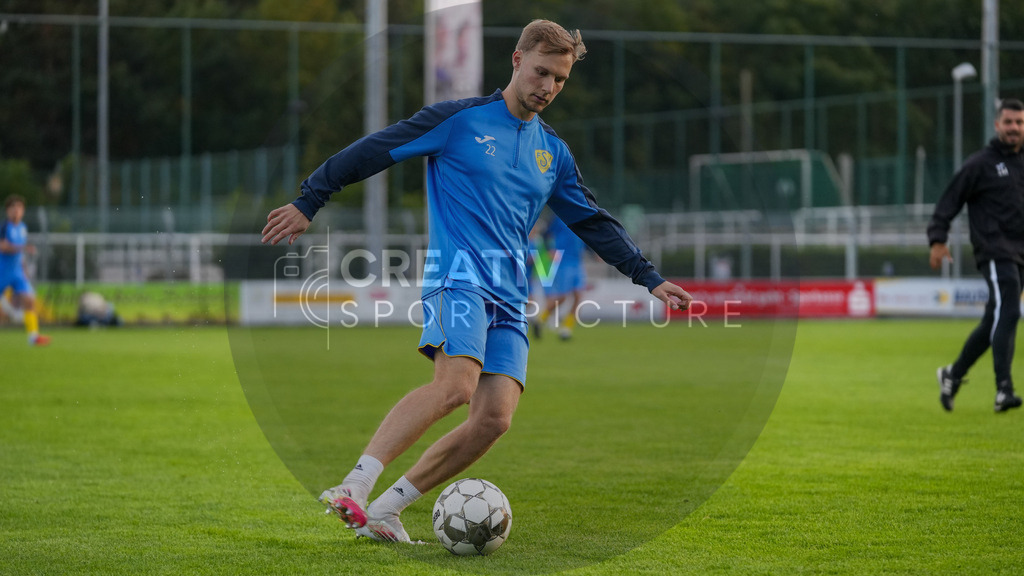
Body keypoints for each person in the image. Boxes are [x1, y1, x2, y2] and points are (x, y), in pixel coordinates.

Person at [261, 19, 692, 543]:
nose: (548, 88)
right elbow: (375, 149)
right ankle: (355, 485)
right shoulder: (459, 121)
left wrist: (649, 278)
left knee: (494, 420)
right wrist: (311, 199)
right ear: (515, 61)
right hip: (458, 278)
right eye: (540, 73)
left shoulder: (552, 153)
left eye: (559, 80)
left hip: (511, 297)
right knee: (455, 387)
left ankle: (386, 510)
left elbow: (593, 222)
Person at [928, 97, 1024, 413]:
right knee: (1009, 308)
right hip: (995, 251)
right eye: (1009, 122)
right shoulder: (979, 164)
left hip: (1019, 252)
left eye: (1020, 123)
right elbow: (949, 200)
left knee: (992, 321)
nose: (1014, 128)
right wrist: (937, 239)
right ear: (997, 125)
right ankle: (1003, 390)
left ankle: (952, 375)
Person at [0, 195, 50, 346]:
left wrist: (24, 269)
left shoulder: (22, 228)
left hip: (17, 273)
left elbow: (19, 254)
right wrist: (22, 248)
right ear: (7, 210)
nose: (16, 210)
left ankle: (33, 336)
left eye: (19, 208)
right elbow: (2, 247)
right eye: (13, 207)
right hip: (2, 271)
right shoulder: (4, 227)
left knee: (29, 300)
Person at [537, 214, 588, 340]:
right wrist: (550, 249)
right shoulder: (560, 217)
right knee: (562, 297)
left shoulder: (584, 217)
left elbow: (586, 238)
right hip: (563, 261)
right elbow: (546, 234)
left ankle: (566, 329)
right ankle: (540, 320)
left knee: (578, 296)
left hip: (577, 262)